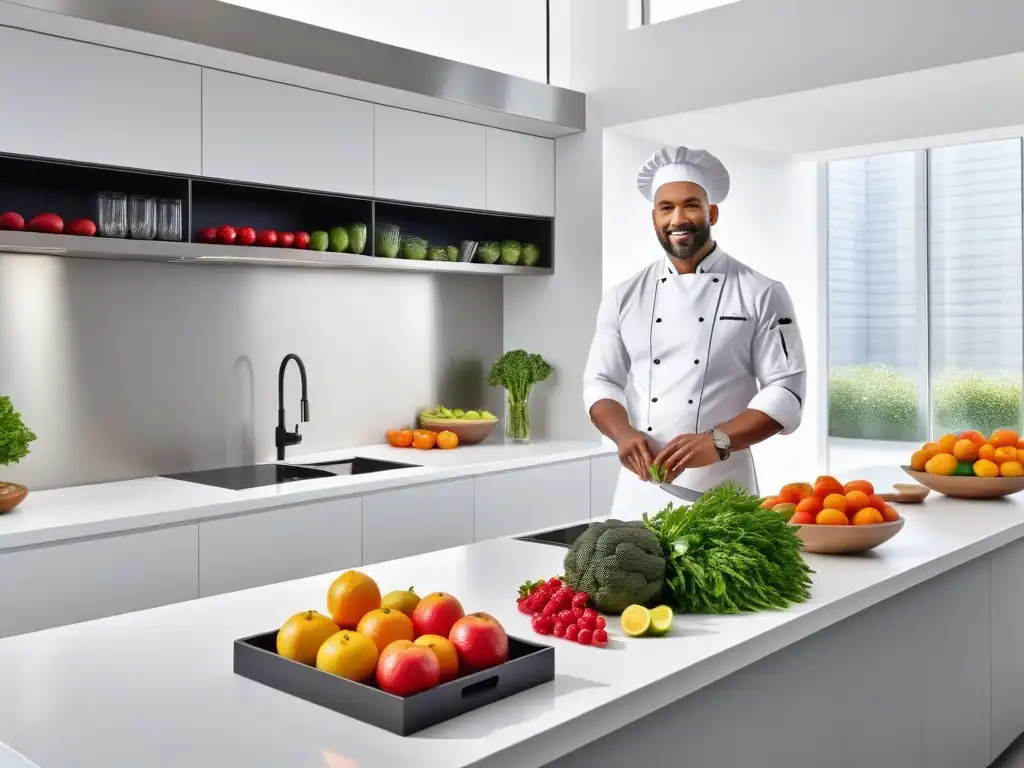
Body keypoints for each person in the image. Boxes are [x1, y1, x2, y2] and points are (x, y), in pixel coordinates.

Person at [583, 146, 806, 519]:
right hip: (639, 491)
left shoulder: (761, 291)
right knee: (626, 575)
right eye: (666, 208)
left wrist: (718, 441)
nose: (678, 219)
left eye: (690, 205)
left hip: (722, 490)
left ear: (711, 212)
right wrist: (622, 434)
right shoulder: (622, 297)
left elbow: (786, 391)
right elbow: (600, 382)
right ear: (654, 217)